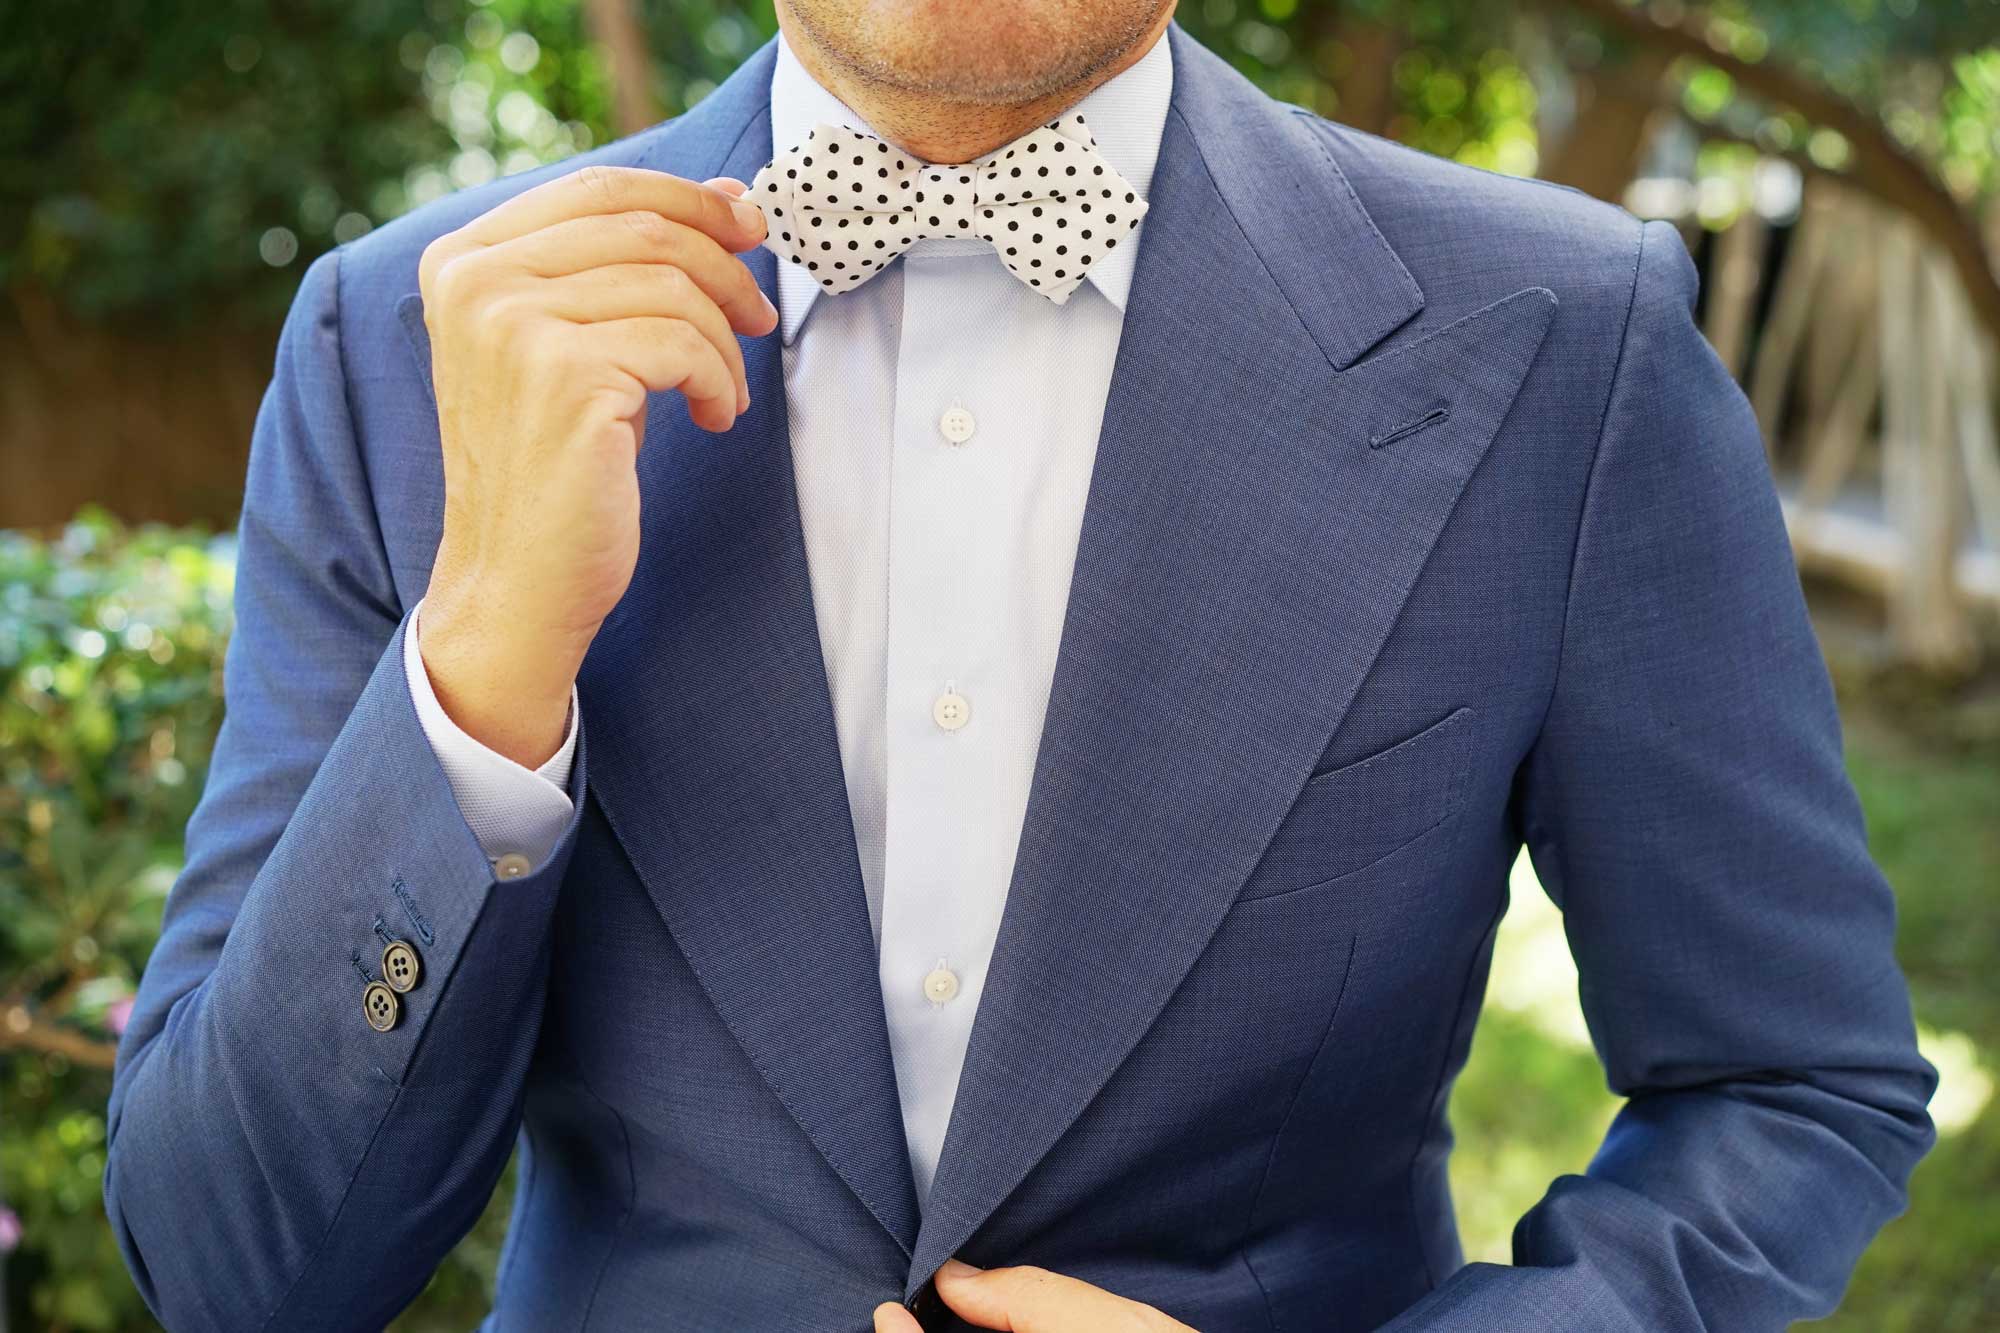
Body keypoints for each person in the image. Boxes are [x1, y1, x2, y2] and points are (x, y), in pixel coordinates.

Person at [105, 2, 1937, 1329]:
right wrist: (488, 649)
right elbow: (235, 1265)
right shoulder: (396, 343)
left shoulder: (1564, 341)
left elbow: (1794, 1087)